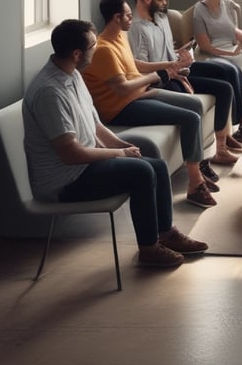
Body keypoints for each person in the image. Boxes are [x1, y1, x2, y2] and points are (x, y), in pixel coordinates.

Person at [23, 19, 208, 268]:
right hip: (64, 181)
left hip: (83, 166)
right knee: (142, 172)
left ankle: (165, 233)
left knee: (155, 164)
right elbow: (71, 154)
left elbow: (96, 126)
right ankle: (149, 249)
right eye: (92, 46)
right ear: (77, 54)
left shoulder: (73, 74)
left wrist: (123, 146)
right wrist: (119, 153)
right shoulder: (50, 92)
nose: (96, 50)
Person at [82, 0, 217, 209]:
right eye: (127, 15)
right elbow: (121, 88)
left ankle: (196, 165)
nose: (131, 19)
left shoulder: (119, 37)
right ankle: (195, 183)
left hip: (139, 94)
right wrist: (160, 76)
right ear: (116, 17)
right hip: (121, 107)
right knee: (190, 118)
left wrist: (170, 65)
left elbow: (135, 65)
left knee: (194, 105)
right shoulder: (103, 49)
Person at [128, 0, 242, 169]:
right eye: (160, 0)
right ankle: (209, 154)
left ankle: (224, 144)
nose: (164, 3)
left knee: (226, 80)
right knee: (213, 90)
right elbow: (140, 67)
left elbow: (169, 52)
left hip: (177, 68)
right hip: (163, 79)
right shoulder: (136, 29)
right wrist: (172, 65)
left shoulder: (161, 19)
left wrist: (181, 55)